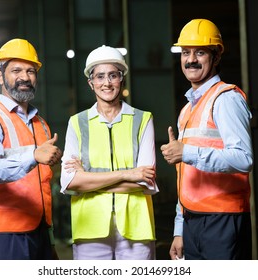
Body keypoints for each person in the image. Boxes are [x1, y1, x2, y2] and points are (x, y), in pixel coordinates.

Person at [161, 19, 253, 260]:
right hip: (193, 221)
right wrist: (179, 229)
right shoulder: (187, 110)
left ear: (216, 56)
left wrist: (187, 152)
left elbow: (244, 159)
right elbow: (185, 177)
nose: (191, 59)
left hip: (224, 220)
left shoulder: (226, 99)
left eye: (200, 52)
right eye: (185, 52)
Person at [60, 45, 159, 260]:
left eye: (113, 75)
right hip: (89, 229)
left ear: (121, 79)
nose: (107, 83)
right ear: (91, 83)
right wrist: (126, 174)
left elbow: (145, 182)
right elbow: (70, 182)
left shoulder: (143, 119)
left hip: (136, 228)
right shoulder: (77, 123)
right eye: (100, 77)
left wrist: (88, 180)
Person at [0, 38, 62, 260]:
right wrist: (32, 155)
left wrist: (48, 239)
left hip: (39, 232)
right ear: (0, 75)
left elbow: (41, 186)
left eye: (31, 71)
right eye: (16, 70)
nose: (24, 77)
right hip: (5, 235)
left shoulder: (41, 124)